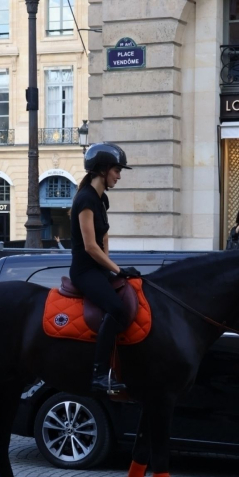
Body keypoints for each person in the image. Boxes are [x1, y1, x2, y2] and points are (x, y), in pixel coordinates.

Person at [70, 142, 139, 394]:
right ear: (102, 170)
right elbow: (90, 246)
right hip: (83, 271)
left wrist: (109, 269)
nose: (119, 176)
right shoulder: (86, 199)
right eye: (117, 170)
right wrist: (118, 270)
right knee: (116, 308)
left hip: (98, 269)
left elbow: (105, 238)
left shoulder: (102, 199)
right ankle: (99, 374)